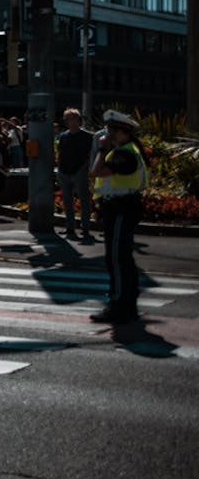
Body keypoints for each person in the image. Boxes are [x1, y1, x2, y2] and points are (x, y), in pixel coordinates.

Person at [89, 111, 147, 324]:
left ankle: (119, 304)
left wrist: (102, 149)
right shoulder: (125, 151)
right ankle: (125, 303)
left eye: (113, 130)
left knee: (117, 259)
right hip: (119, 207)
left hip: (122, 208)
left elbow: (97, 171)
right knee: (121, 258)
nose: (109, 134)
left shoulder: (125, 154)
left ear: (124, 132)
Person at [57, 108, 94, 239]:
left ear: (78, 120)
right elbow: (60, 152)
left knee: (84, 200)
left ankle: (85, 228)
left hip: (79, 171)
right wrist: (59, 168)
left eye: (69, 118)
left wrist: (85, 168)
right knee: (67, 201)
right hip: (64, 171)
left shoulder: (88, 136)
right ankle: (70, 227)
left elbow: (91, 155)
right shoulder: (63, 136)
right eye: (65, 118)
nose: (66, 121)